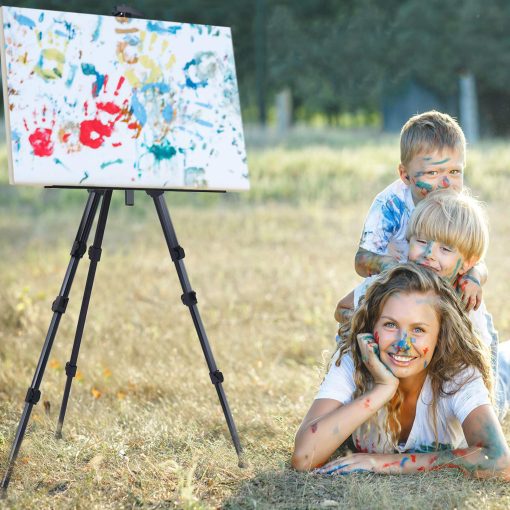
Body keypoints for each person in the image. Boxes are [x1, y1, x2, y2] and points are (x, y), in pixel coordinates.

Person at [292, 263, 510, 478]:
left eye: (418, 329)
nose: (402, 344)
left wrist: (382, 463)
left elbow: (499, 462)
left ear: (440, 335)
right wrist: (382, 389)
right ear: (372, 325)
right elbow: (303, 458)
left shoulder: (457, 374)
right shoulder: (355, 361)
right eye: (390, 325)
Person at [337, 190, 510, 419]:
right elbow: (341, 309)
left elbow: (478, 366)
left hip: (474, 367)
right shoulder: (392, 282)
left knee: (499, 386)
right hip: (412, 371)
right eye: (421, 241)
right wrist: (368, 318)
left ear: (466, 264)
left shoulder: (464, 297)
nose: (428, 254)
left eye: (445, 249)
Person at [355, 111, 486, 312]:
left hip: (445, 287)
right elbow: (362, 260)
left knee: (468, 298)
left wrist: (473, 276)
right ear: (405, 175)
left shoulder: (457, 208)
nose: (445, 184)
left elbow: (475, 259)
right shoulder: (390, 205)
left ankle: (481, 341)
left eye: (454, 172)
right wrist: (396, 269)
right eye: (432, 173)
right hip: (397, 289)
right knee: (361, 311)